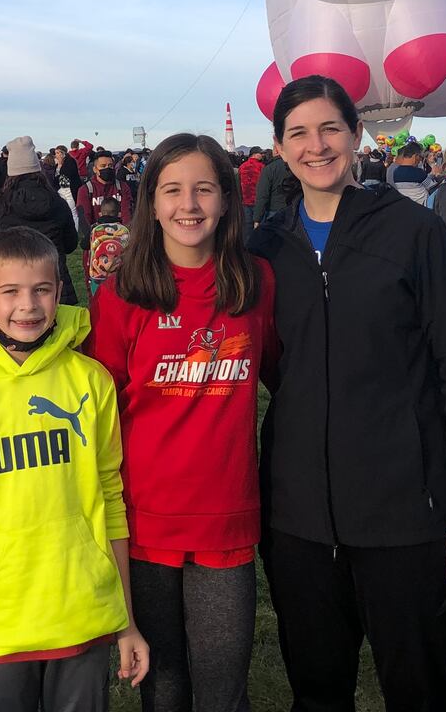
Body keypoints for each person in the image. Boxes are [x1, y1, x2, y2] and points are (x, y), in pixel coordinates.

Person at [249, 77, 446, 711]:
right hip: (298, 517)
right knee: (317, 691)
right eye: (298, 133)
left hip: (405, 512)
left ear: (357, 135)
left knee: (416, 689)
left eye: (330, 128)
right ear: (279, 148)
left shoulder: (412, 232)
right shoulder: (265, 247)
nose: (317, 145)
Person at [86, 134, 276, 712]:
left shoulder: (257, 281)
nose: (188, 204)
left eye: (203, 189)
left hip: (226, 518)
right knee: (162, 688)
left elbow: (290, 379)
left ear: (225, 200)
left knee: (223, 690)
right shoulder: (124, 293)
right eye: (172, 190)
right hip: (146, 522)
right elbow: (100, 409)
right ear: (151, 201)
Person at [0, 228, 148, 711]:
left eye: (42, 290)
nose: (27, 306)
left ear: (59, 291)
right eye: (10, 291)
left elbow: (110, 499)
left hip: (84, 615)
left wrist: (126, 619)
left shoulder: (90, 381)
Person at [0, 136, 81, 304]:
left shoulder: (2, 204)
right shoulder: (57, 202)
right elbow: (71, 243)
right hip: (54, 281)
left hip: (13, 284)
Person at [84, 198, 130, 302]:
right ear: (119, 214)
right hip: (119, 275)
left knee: (99, 300)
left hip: (98, 274)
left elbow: (84, 245)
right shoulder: (123, 230)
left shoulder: (95, 228)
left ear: (100, 213)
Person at [79, 151, 132, 230]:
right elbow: (84, 219)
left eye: (110, 165)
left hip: (120, 235)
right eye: (103, 166)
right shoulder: (85, 190)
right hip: (96, 235)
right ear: (95, 169)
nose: (107, 168)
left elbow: (127, 214)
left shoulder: (122, 187)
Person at [249, 149, 294, 229]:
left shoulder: (269, 168)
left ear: (276, 151)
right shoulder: (295, 166)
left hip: (273, 210)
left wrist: (257, 219)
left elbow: (262, 195)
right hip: (293, 209)